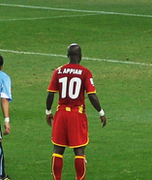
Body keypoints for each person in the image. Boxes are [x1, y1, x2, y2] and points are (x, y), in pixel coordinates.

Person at [46, 44, 107, 180]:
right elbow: (91, 95)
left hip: (61, 113)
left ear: (68, 55)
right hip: (76, 114)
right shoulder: (85, 72)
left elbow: (51, 94)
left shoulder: (58, 71)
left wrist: (48, 111)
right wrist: (101, 112)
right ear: (80, 56)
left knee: (58, 150)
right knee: (79, 150)